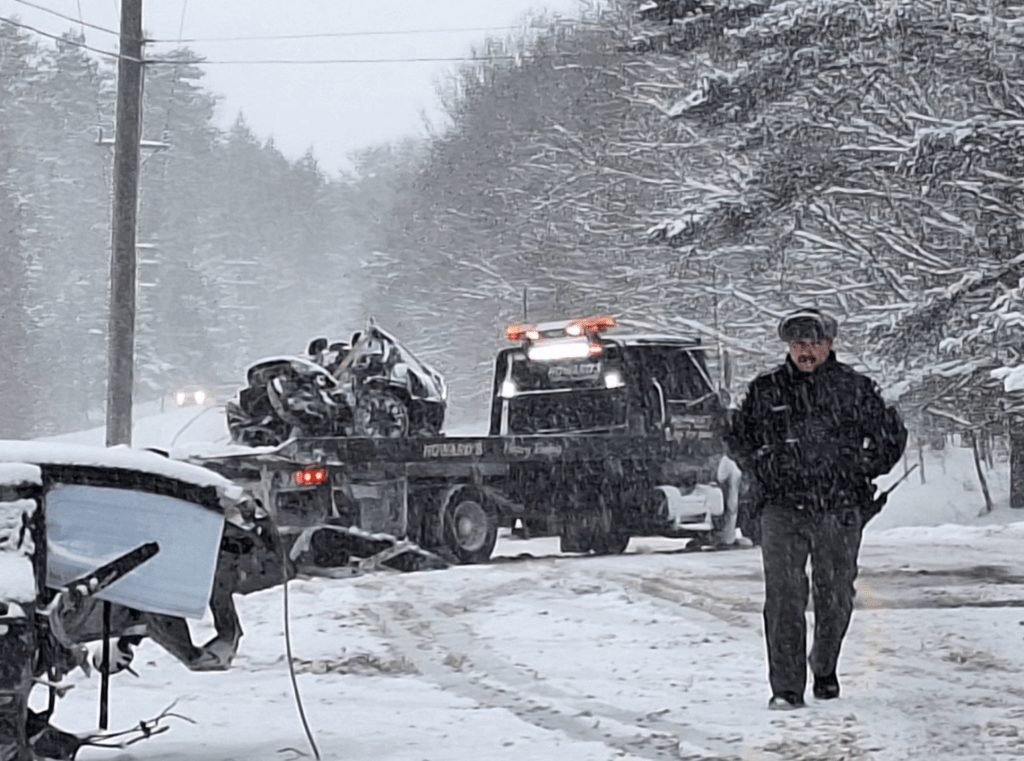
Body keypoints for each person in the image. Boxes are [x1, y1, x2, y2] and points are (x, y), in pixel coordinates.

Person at [724, 308, 907, 710]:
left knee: (835, 594)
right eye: (798, 344)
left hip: (838, 507)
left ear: (829, 344)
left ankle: (824, 666)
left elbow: (890, 438)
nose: (806, 351)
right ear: (788, 347)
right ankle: (787, 688)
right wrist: (763, 466)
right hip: (782, 508)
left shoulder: (855, 389)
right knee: (785, 597)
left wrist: (862, 468)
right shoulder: (766, 390)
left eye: (814, 343)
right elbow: (737, 438)